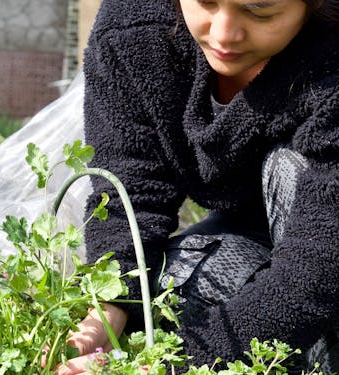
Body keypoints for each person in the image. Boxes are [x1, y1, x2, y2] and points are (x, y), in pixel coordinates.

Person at [54, 0, 339, 373]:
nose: (223, 34)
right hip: (252, 224)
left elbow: (316, 269)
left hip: (323, 240)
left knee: (287, 169)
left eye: (259, 11)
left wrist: (166, 365)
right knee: (174, 288)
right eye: (206, 2)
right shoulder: (135, 28)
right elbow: (132, 179)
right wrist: (112, 302)